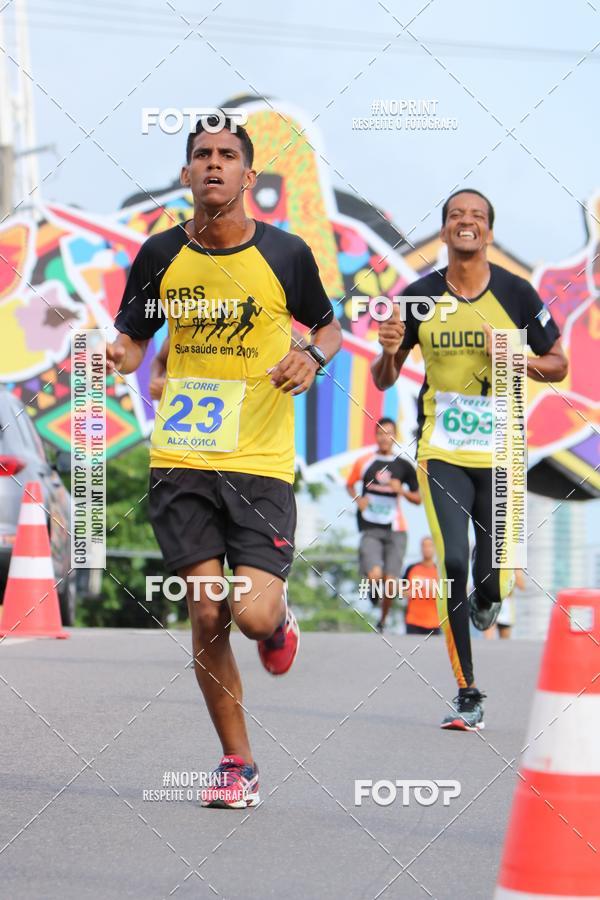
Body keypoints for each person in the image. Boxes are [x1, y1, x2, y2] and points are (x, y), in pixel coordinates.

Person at [107, 116, 342, 806]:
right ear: (186, 175)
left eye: (227, 155)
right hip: (181, 458)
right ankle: (238, 762)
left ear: (248, 174)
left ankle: (280, 621)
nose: (214, 164)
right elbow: (133, 338)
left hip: (259, 462)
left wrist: (311, 355)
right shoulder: (159, 254)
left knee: (253, 617)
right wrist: (115, 355)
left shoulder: (286, 253)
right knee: (208, 614)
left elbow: (328, 326)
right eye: (202, 155)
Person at [371, 188, 568, 731]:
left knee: (495, 579)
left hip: (502, 451)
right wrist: (387, 352)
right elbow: (384, 378)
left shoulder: (517, 293)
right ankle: (467, 691)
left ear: (489, 231)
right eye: (456, 214)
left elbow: (559, 363)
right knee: (452, 562)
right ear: (444, 229)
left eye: (476, 215)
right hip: (442, 450)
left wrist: (512, 356)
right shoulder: (417, 297)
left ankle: (489, 593)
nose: (466, 221)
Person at [346, 417, 420, 632]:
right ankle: (373, 585)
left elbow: (418, 499)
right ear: (375, 436)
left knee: (391, 583)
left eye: (389, 433)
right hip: (371, 527)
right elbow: (349, 484)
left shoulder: (404, 466)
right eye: (380, 433)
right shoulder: (365, 462)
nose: (385, 438)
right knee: (375, 575)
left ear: (395, 436)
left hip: (396, 529)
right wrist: (358, 499)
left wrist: (401, 491)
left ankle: (383, 619)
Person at [402, 536, 441, 636]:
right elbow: (402, 591)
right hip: (413, 621)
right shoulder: (411, 568)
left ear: (434, 549)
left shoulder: (440, 572)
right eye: (424, 546)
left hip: (434, 623)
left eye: (430, 546)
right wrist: (408, 592)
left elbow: (446, 594)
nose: (427, 549)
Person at [484, 568, 525, 639]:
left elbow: (522, 586)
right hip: (489, 602)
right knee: (488, 639)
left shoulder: (514, 562)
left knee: (505, 642)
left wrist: (512, 569)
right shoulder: (488, 562)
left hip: (506, 606)